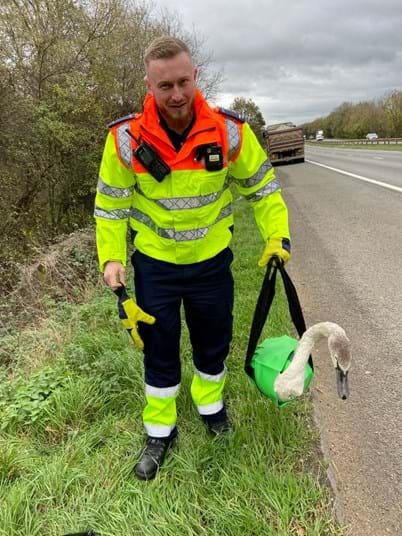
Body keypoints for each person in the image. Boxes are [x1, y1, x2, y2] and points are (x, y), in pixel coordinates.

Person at [94, 36, 290, 480]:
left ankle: (211, 407)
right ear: (149, 84)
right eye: (165, 86)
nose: (177, 94)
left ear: (195, 76)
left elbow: (262, 189)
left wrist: (277, 236)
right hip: (156, 267)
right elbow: (110, 206)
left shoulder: (229, 131)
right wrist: (110, 258)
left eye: (183, 81)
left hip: (211, 265)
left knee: (212, 343)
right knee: (158, 350)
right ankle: (160, 431)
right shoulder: (125, 139)